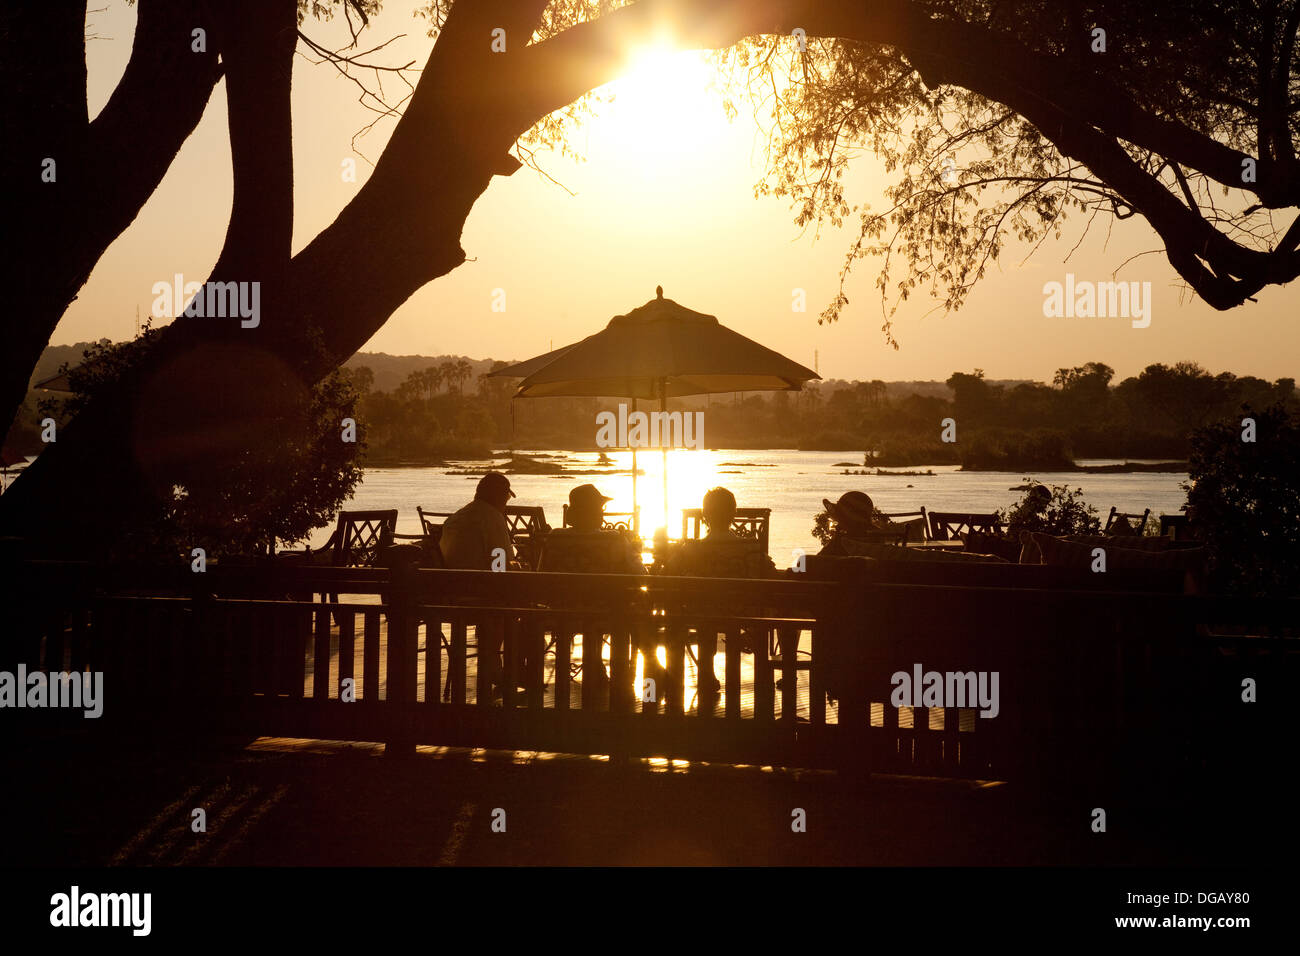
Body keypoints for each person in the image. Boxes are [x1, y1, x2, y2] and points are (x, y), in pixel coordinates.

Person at [439, 471, 516, 570]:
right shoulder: (493, 518)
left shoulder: (455, 517)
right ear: (500, 497)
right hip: (476, 581)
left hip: (447, 580)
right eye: (507, 497)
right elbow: (500, 565)